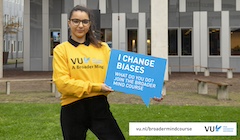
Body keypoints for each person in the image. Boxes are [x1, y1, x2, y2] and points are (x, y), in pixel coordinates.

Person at [52, 5, 125, 140]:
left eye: (85, 21)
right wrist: (97, 87)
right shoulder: (61, 50)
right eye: (76, 21)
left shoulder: (102, 48)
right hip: (72, 109)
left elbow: (122, 74)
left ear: (90, 24)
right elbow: (63, 84)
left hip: (99, 106)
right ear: (69, 23)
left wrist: (150, 90)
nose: (80, 25)